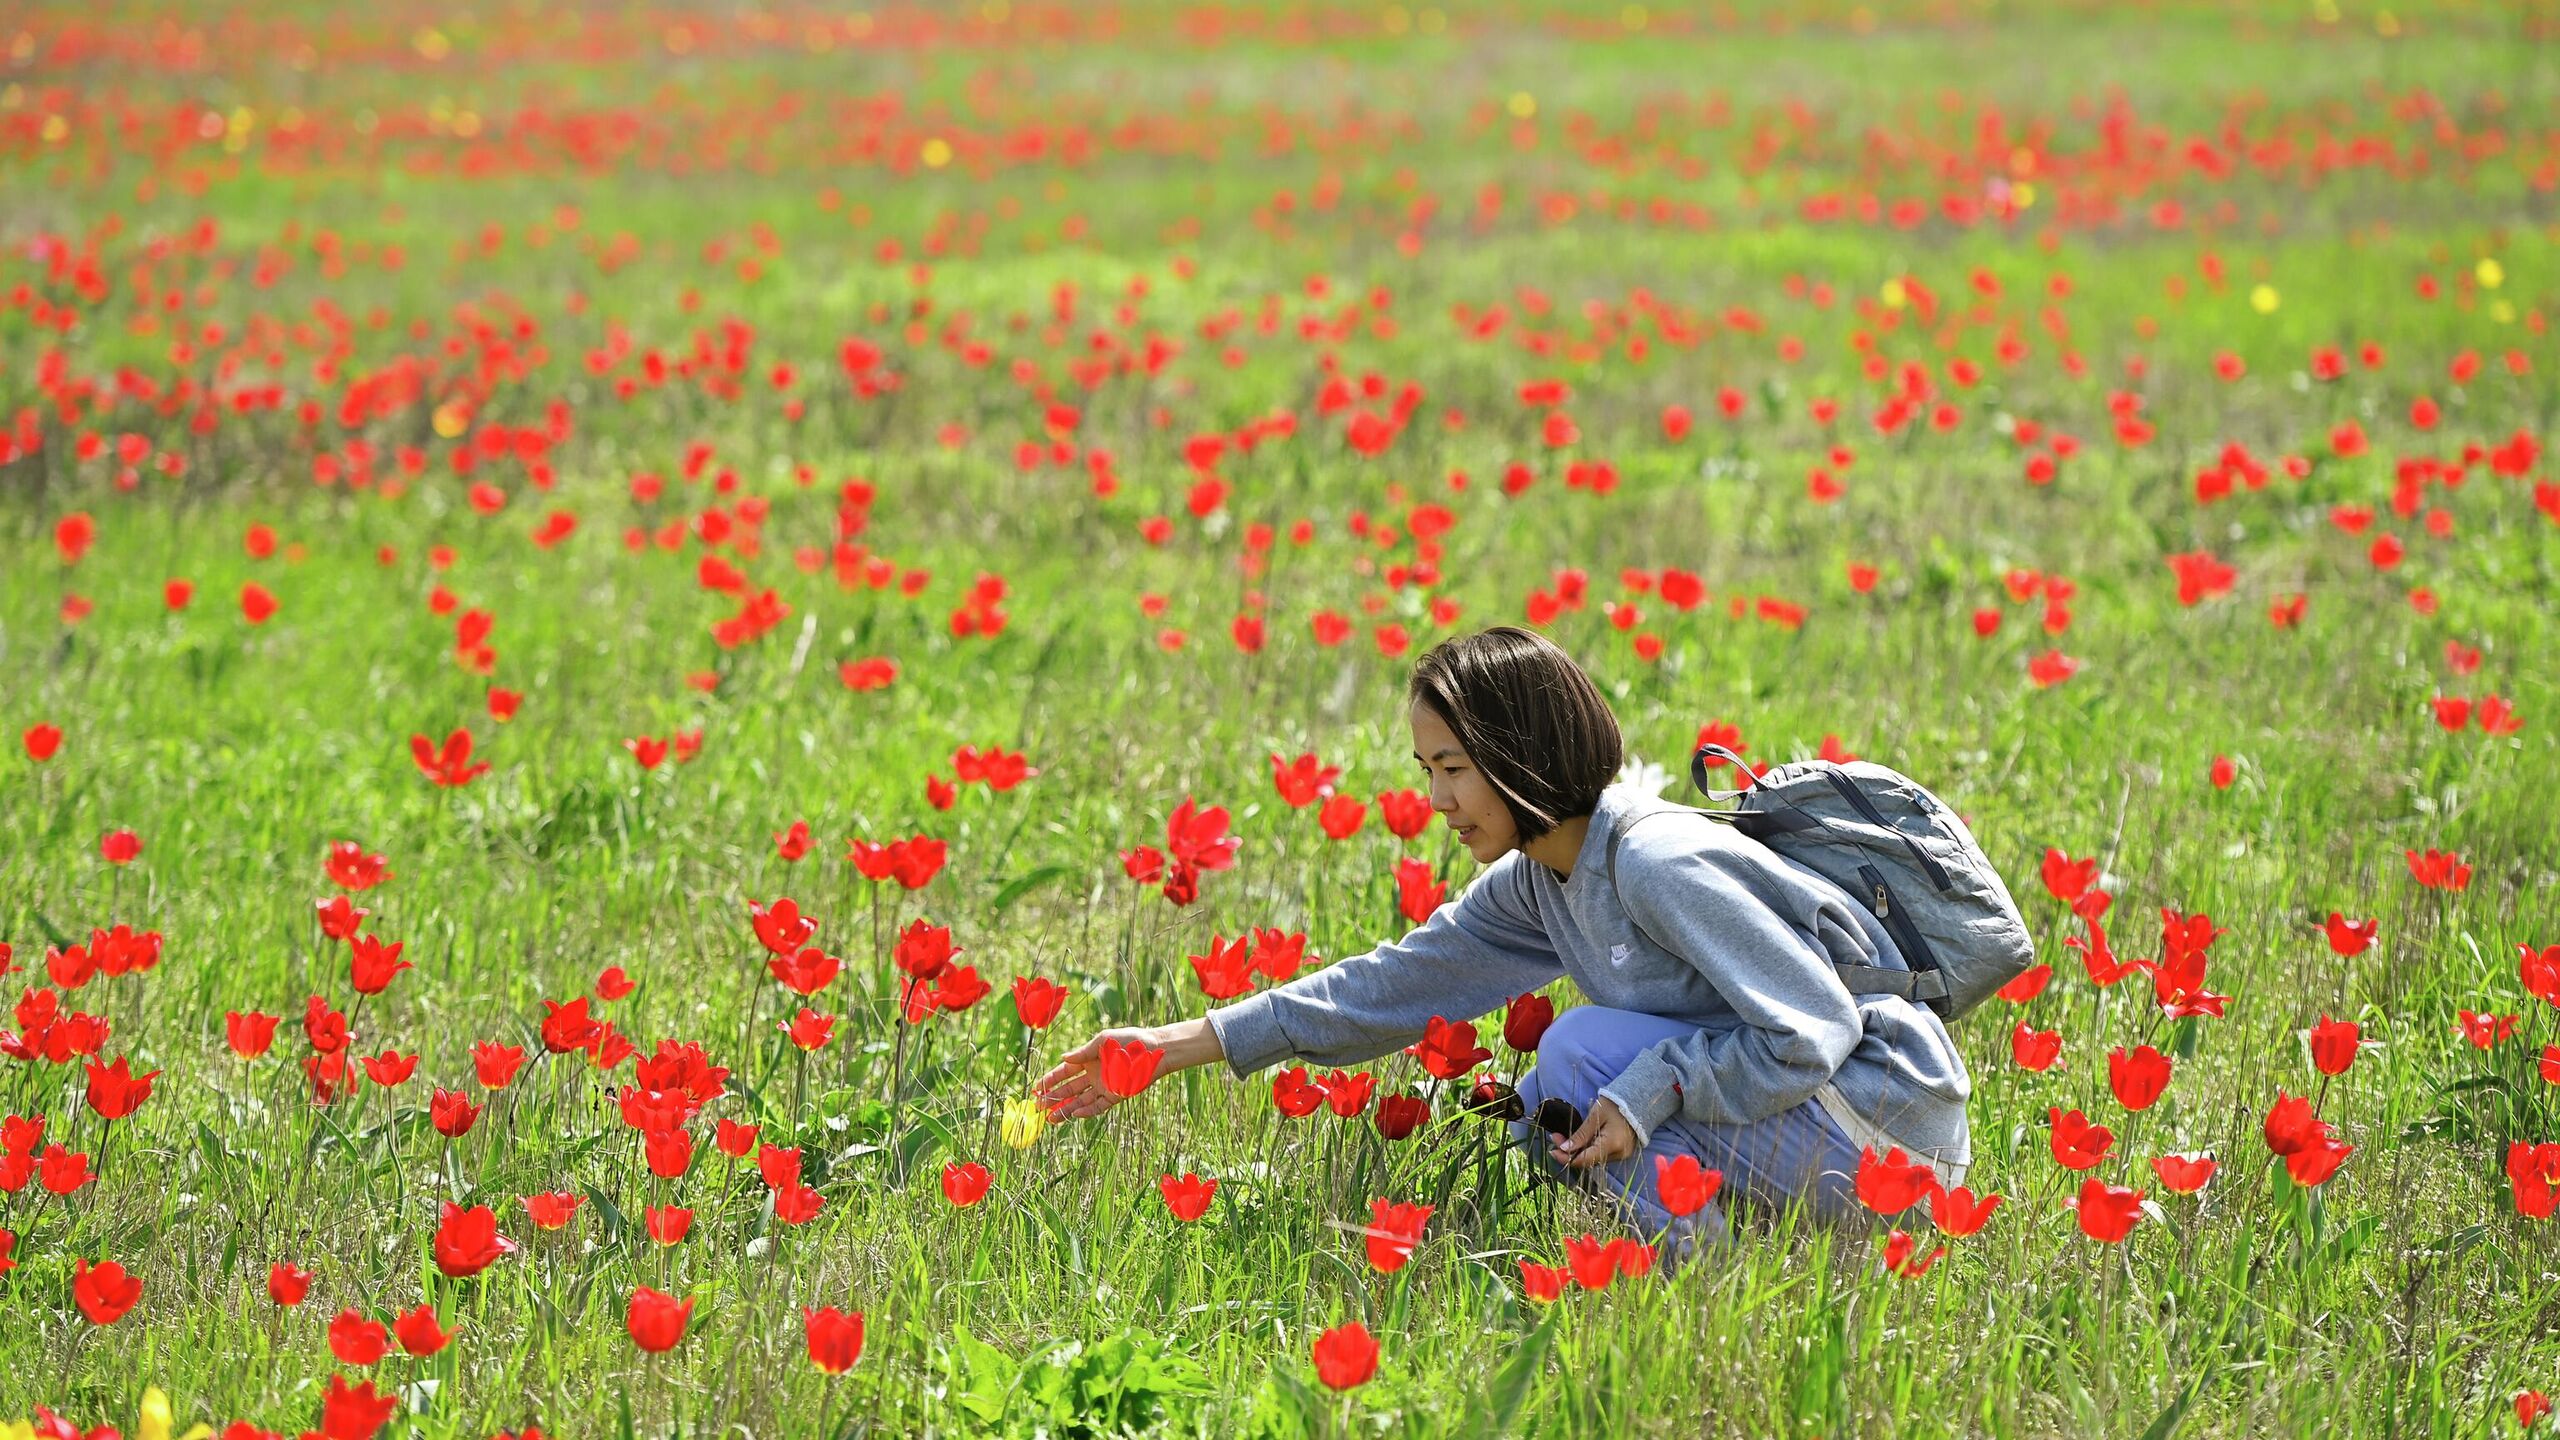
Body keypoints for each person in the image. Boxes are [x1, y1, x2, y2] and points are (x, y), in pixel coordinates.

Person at [1034, 625, 1971, 1253]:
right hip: (1814, 1128)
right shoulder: (1540, 881)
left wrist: (1654, 1085)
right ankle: (1735, 1268)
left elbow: (1814, 1029)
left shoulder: (1655, 861)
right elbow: (1391, 986)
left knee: (1578, 1054)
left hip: (1884, 1127)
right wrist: (1172, 1047)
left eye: (1454, 768)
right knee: (1537, 1114)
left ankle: (1714, 1292)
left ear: (1521, 759)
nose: (1436, 800)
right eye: (1427, 769)